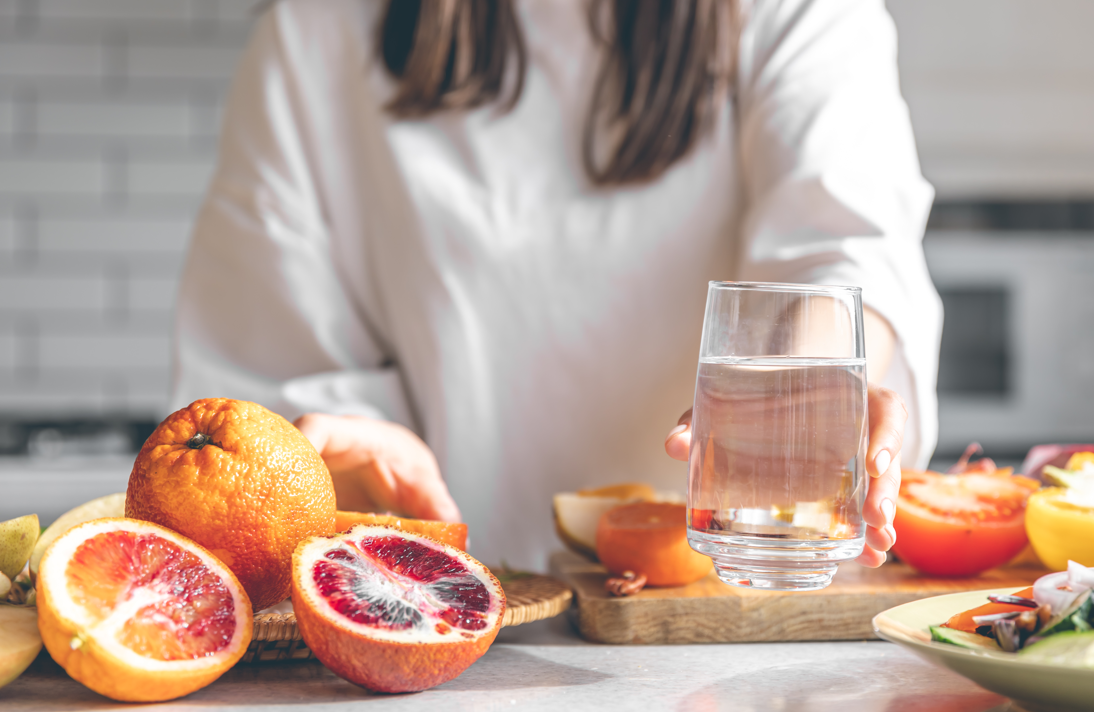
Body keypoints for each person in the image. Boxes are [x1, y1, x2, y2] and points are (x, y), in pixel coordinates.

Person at [172, 0, 942, 570]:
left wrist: (804, 390)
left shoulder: (799, 12)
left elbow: (843, 249)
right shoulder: (317, 32)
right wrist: (345, 462)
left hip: (727, 612)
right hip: (434, 622)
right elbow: (271, 361)